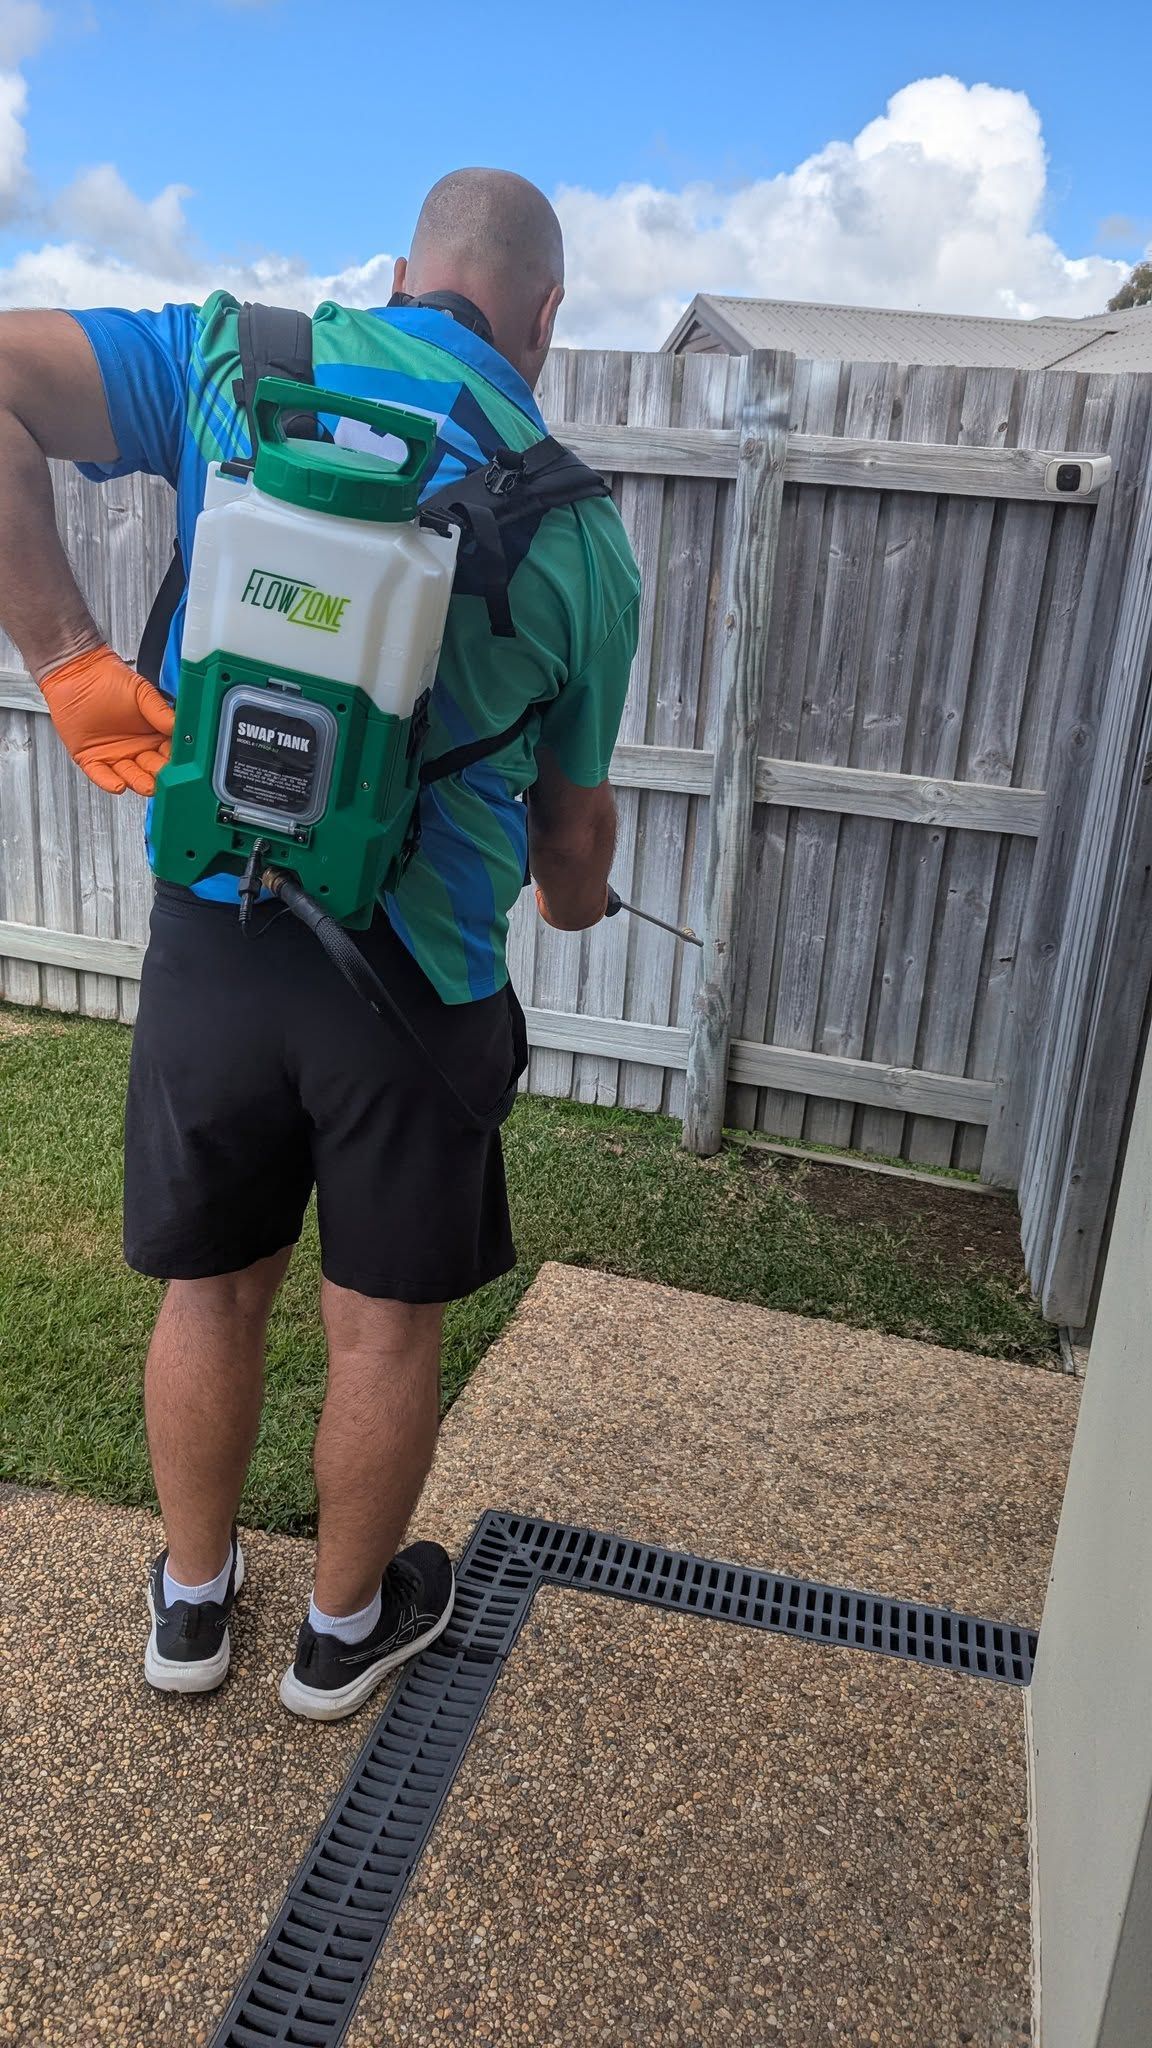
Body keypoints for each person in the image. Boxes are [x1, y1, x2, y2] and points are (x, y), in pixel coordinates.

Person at [0, 169, 640, 1721]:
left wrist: (71, 659)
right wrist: (572, 902)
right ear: (544, 316)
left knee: (212, 1291)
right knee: (381, 1318)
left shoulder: (241, 360)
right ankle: (342, 1634)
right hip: (415, 988)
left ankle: (194, 1607)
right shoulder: (585, 539)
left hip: (214, 934)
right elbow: (568, 839)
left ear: (398, 270)